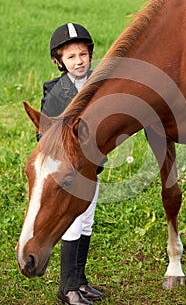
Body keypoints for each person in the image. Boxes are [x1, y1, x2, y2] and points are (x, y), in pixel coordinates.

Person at [37, 23, 103, 305]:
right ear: (59, 62)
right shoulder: (54, 90)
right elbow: (44, 132)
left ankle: (80, 281)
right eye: (71, 57)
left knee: (86, 222)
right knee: (72, 225)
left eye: (83, 54)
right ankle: (67, 288)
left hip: (92, 165)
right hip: (67, 170)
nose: (79, 61)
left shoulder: (99, 86)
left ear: (90, 54)